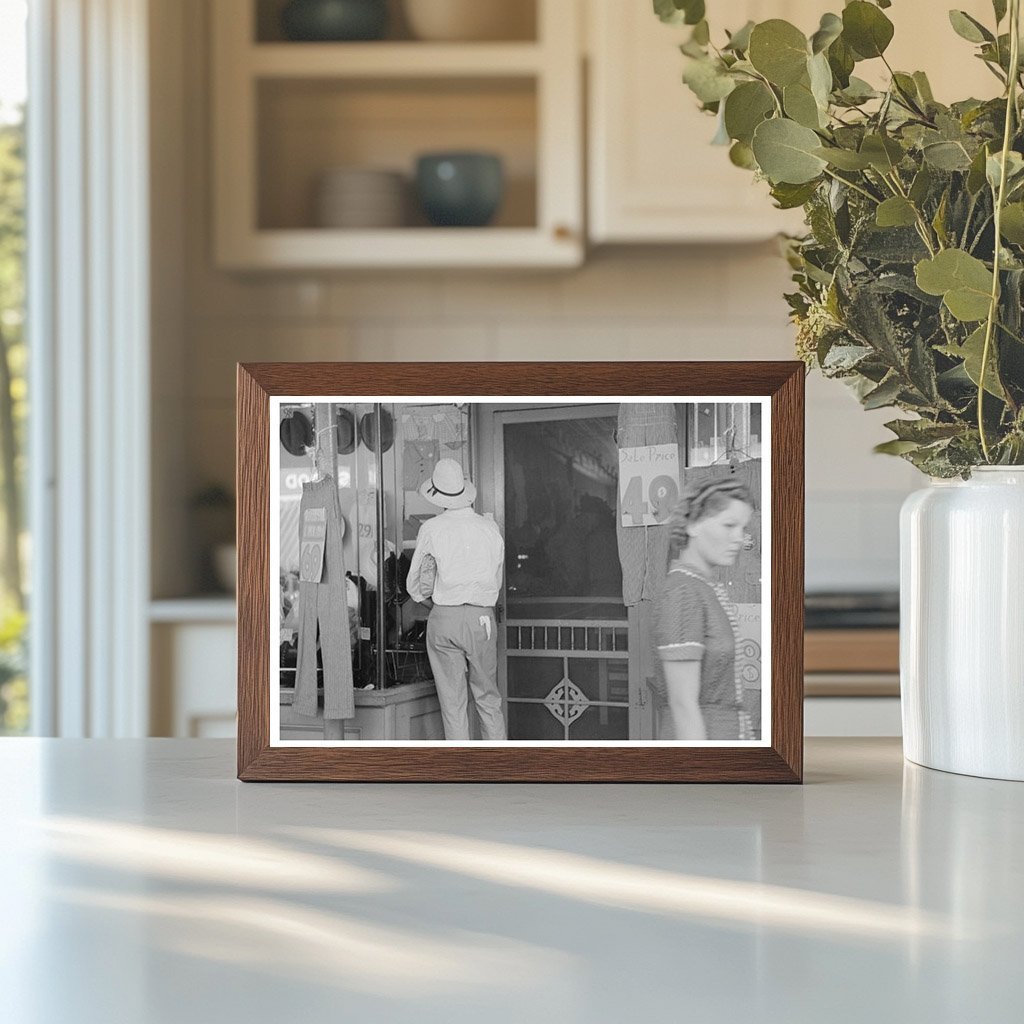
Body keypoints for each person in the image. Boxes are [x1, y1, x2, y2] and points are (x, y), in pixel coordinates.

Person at [406, 459, 507, 741]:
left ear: (438, 496)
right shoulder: (490, 528)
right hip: (482, 618)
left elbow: (415, 585)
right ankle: (500, 771)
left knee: (452, 704)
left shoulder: (432, 529)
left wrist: (435, 603)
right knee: (488, 699)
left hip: (445, 618)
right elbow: (495, 582)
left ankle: (461, 773)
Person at [653, 478, 755, 741]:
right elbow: (683, 704)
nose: (739, 539)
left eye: (743, 528)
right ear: (693, 524)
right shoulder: (684, 592)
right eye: (729, 525)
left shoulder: (702, 586)